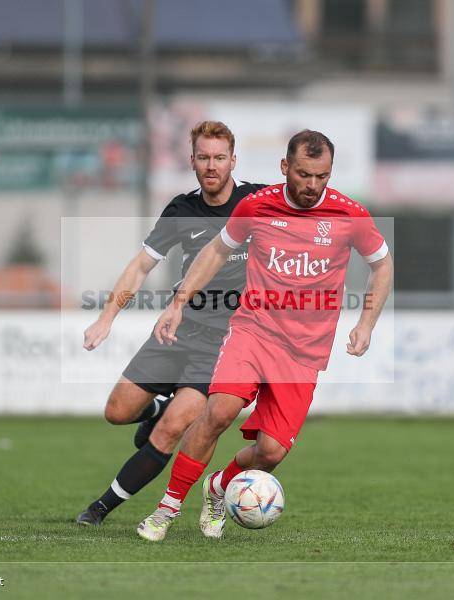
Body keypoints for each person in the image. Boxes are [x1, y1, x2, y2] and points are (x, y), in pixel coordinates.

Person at [136, 129, 394, 542]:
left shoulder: (350, 215)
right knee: (218, 411)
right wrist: (179, 301)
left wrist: (366, 323)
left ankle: (219, 487)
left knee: (271, 452)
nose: (312, 186)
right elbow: (217, 251)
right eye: (304, 174)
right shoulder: (257, 206)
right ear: (284, 167)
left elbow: (382, 265)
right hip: (253, 330)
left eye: (322, 176)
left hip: (304, 354)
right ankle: (166, 509)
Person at [75, 121, 265, 526]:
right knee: (117, 412)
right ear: (192, 160)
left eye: (219, 158)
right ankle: (159, 406)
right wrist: (106, 317)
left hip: (224, 343)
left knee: (171, 430)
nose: (211, 165)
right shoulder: (181, 209)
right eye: (203, 158)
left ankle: (100, 508)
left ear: (233, 160)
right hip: (177, 329)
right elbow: (141, 266)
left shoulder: (258, 201)